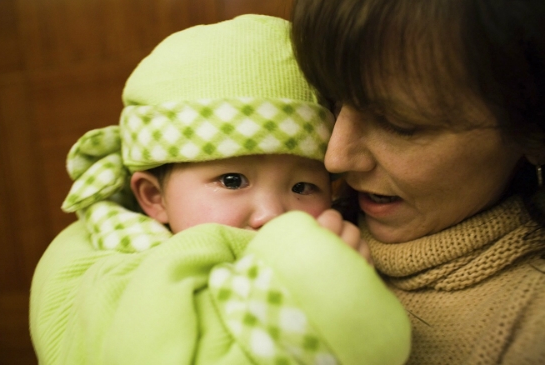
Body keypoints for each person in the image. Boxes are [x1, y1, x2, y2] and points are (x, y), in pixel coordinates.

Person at [30, 14, 411, 365]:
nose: (272, 214)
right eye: (232, 181)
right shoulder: (105, 268)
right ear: (153, 197)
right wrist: (321, 281)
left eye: (302, 186)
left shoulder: (348, 233)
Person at [290, 0, 545, 364]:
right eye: (330, 100)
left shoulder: (529, 332)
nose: (335, 158)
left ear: (533, 133)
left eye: (399, 124)